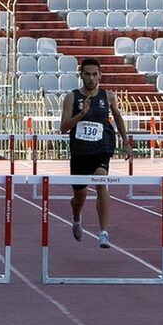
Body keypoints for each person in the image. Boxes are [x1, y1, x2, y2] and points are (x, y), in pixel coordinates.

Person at [60, 58, 129, 248]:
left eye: (94, 74)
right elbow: (63, 127)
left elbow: (118, 118)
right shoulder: (72, 97)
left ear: (100, 76)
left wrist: (126, 142)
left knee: (101, 181)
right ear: (81, 75)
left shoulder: (108, 97)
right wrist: (81, 115)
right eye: (87, 74)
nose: (91, 78)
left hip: (101, 148)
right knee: (79, 197)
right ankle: (76, 218)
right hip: (80, 152)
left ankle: (104, 232)